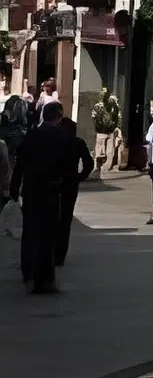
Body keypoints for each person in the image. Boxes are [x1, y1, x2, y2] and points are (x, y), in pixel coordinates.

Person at [9, 101, 69, 292]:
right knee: (48, 234)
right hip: (51, 190)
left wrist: (14, 189)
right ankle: (46, 277)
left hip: (31, 190)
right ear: (59, 116)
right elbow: (67, 168)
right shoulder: (62, 137)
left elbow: (19, 166)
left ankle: (29, 273)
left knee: (31, 233)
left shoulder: (31, 137)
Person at [54, 116, 93, 266]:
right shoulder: (78, 143)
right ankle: (60, 254)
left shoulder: (53, 142)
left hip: (52, 181)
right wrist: (80, 177)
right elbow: (88, 163)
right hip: (70, 183)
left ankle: (50, 250)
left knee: (51, 217)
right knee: (66, 218)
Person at [90, 87, 122, 173]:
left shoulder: (97, 106)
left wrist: (97, 126)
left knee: (99, 149)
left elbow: (93, 116)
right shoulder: (114, 106)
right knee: (110, 150)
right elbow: (119, 118)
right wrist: (116, 127)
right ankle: (107, 167)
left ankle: (98, 166)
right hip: (111, 131)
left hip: (101, 131)